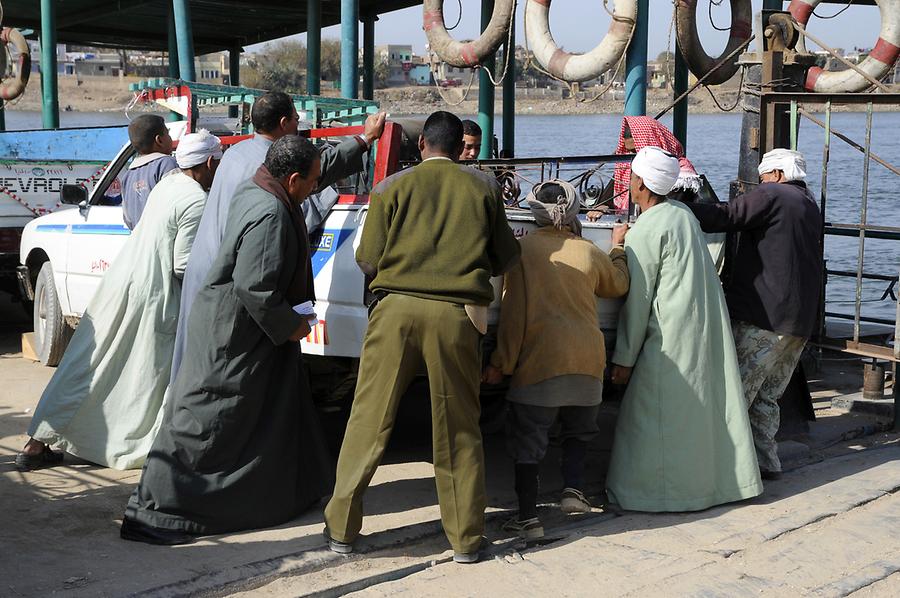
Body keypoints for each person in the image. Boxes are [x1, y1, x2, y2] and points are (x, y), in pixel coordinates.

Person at [323, 111, 520, 564]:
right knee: (458, 429)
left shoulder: (390, 187)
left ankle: (342, 530)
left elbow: (368, 259)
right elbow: (505, 258)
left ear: (422, 146)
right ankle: (466, 541)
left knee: (368, 421)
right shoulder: (484, 188)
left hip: (393, 314)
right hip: (456, 316)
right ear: (459, 146)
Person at [121, 135, 333, 544]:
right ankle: (163, 509)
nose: (313, 189)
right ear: (291, 180)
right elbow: (255, 287)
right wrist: (290, 324)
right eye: (312, 182)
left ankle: (282, 493)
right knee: (208, 417)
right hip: (235, 330)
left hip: (237, 326)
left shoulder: (256, 186)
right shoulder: (271, 212)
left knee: (260, 416)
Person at [16, 131, 222, 471]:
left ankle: (36, 442)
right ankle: (53, 443)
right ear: (210, 162)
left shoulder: (169, 184)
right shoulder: (196, 201)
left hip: (121, 286)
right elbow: (183, 264)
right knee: (136, 376)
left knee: (84, 367)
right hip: (152, 296)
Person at [171, 91, 386, 385]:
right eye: (297, 120)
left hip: (204, 267)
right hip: (232, 281)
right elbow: (256, 284)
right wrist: (365, 139)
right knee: (230, 374)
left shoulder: (235, 153)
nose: (299, 124)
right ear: (284, 123)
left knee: (196, 360)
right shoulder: (271, 175)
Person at [606, 146, 763, 512]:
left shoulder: (647, 229)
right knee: (698, 416)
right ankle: (719, 485)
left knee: (650, 417)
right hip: (700, 329)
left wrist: (624, 358)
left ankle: (648, 494)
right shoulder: (683, 215)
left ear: (640, 183)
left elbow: (638, 299)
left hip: (668, 337)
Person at [483, 180, 630, 541]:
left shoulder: (522, 251)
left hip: (540, 363)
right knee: (580, 431)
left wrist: (501, 364)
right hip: (587, 360)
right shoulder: (588, 250)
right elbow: (618, 286)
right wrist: (618, 248)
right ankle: (573, 492)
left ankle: (529, 520)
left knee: (529, 441)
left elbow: (514, 316)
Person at [682, 148, 822, 480]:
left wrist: (677, 207)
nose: (758, 185)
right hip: (798, 322)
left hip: (766, 318)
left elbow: (726, 216)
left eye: (761, 178)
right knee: (767, 396)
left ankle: (726, 469)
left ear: (775, 174)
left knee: (736, 392)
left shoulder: (773, 194)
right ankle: (765, 462)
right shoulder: (808, 205)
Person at [117, 114, 179, 229]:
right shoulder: (167, 164)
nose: (170, 138)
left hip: (140, 242)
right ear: (159, 140)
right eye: (168, 133)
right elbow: (178, 206)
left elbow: (128, 219)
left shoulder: (127, 176)